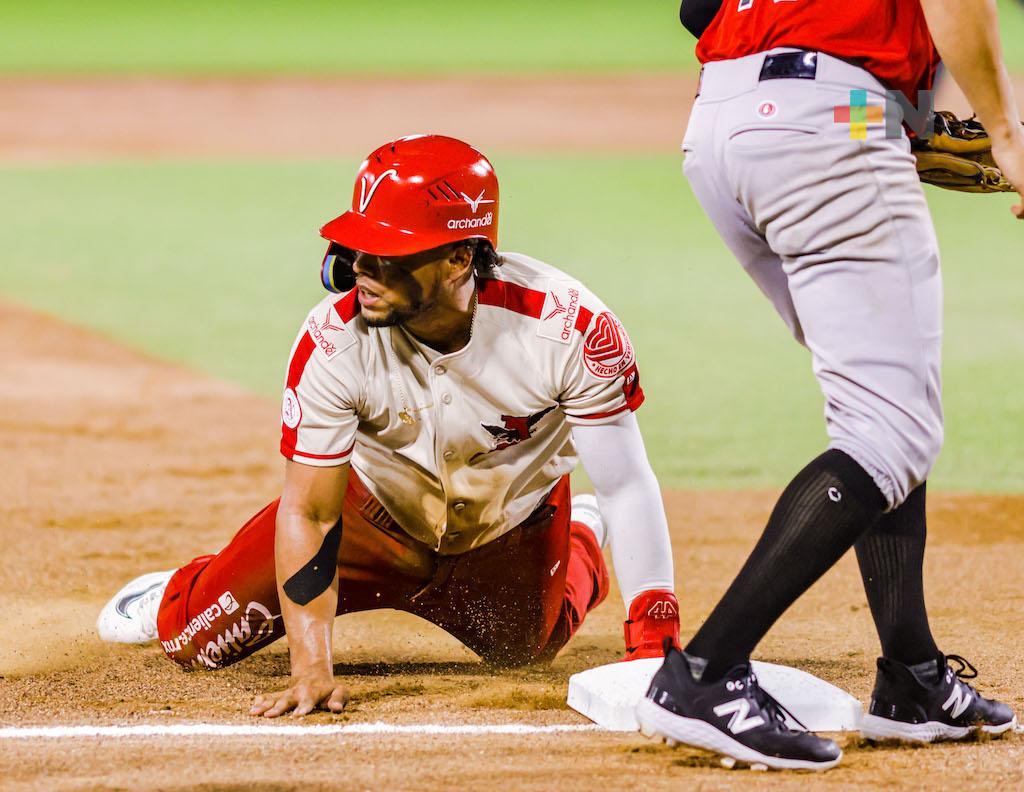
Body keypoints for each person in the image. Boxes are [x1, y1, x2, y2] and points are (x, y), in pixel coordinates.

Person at [96, 134, 680, 717]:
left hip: (513, 521)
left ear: (459, 258)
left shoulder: (567, 328)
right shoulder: (334, 339)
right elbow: (309, 512)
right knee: (193, 642)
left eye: (388, 253)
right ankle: (174, 593)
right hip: (365, 520)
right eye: (356, 249)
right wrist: (312, 669)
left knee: (530, 648)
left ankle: (580, 532)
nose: (361, 270)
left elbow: (626, 483)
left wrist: (655, 641)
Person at [637, 0, 1023, 771]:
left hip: (726, 121)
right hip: (823, 116)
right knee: (890, 428)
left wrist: (881, 118)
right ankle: (706, 674)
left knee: (885, 400)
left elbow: (698, 9)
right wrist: (1006, 133)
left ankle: (913, 679)